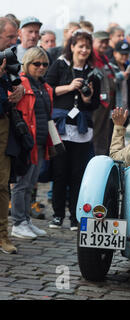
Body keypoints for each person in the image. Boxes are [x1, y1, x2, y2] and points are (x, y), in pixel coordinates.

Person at [45, 30, 101, 231]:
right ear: (72, 47)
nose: (84, 50)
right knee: (60, 172)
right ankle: (58, 214)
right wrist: (68, 87)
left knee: (78, 174)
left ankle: (75, 217)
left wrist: (87, 99)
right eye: (80, 46)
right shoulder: (59, 65)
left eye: (87, 46)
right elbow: (47, 89)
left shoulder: (93, 72)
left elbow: (95, 104)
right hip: (61, 126)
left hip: (82, 128)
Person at [10, 47, 53, 239]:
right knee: (21, 184)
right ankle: (18, 223)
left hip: (40, 142)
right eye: (37, 64)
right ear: (27, 64)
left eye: (44, 64)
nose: (41, 67)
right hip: (26, 142)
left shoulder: (44, 87)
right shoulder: (22, 83)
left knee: (30, 184)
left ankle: (26, 220)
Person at [0, 17, 22, 254]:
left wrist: (19, 89)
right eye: (9, 37)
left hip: (3, 123)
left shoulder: (8, 56)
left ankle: (2, 235)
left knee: (2, 183)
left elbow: (15, 82)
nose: (14, 41)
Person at [91, 31, 116, 156]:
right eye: (101, 42)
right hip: (98, 103)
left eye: (106, 42)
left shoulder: (104, 58)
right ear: (93, 42)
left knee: (104, 134)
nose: (104, 45)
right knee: (95, 134)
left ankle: (101, 159)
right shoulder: (91, 57)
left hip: (107, 102)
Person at [110, 40, 130, 126]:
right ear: (115, 53)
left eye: (126, 54)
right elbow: (109, 84)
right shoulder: (110, 67)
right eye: (122, 54)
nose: (124, 57)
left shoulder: (126, 67)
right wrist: (120, 76)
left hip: (126, 111)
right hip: (114, 112)